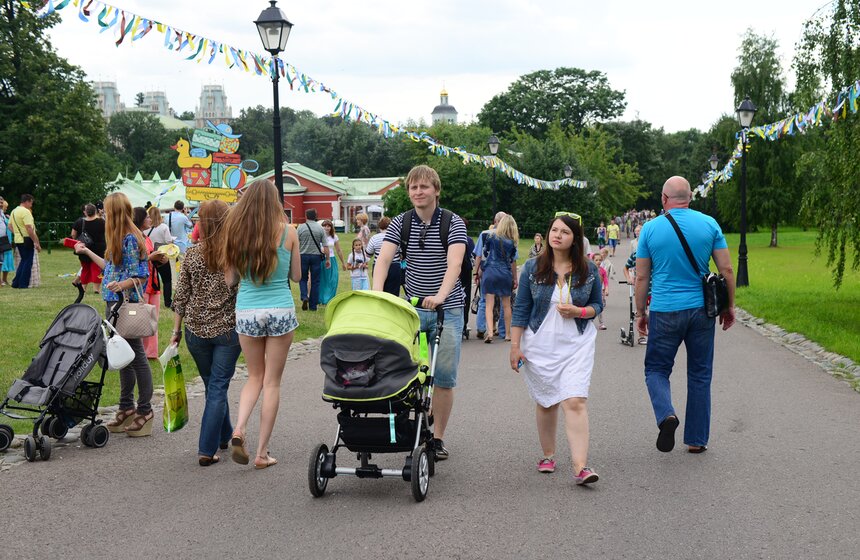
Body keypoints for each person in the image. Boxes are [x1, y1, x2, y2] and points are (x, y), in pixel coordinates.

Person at [635, 176, 736, 454]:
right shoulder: (709, 224)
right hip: (701, 310)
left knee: (656, 369)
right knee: (701, 374)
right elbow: (726, 270)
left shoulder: (650, 229)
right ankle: (696, 440)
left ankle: (666, 414)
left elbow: (642, 276)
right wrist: (728, 307)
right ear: (690, 197)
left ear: (664, 199)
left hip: (665, 310)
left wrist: (640, 312)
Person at [372, 165, 467, 460]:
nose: (418, 192)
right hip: (412, 310)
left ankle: (437, 438)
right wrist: (377, 296)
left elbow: (455, 265)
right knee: (410, 372)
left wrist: (439, 296)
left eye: (424, 187)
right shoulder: (400, 222)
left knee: (443, 376)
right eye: (413, 187)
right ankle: (412, 423)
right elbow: (384, 260)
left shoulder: (453, 223)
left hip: (446, 310)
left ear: (436, 190)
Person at [509, 213, 604, 485]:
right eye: (554, 230)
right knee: (546, 401)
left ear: (575, 238)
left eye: (564, 231)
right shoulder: (532, 268)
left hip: (577, 342)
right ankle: (548, 455)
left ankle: (581, 467)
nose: (557, 235)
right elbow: (521, 310)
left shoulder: (588, 269)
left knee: (574, 400)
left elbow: (598, 306)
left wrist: (579, 310)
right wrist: (515, 346)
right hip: (540, 342)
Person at [223, 179, 301, 469]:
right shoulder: (288, 232)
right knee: (272, 382)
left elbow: (230, 280)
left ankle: (240, 428)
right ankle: (262, 452)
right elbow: (295, 276)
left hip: (247, 311)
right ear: (274, 202)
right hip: (280, 309)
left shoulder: (234, 233)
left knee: (254, 376)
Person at [74, 192, 154, 437]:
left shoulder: (130, 239)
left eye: (107, 211)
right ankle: (126, 406)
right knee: (122, 356)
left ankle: (145, 410)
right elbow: (109, 268)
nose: (103, 215)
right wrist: (86, 252)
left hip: (125, 304)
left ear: (115, 212)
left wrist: (122, 286)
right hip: (113, 304)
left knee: (136, 357)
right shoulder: (117, 237)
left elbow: (141, 274)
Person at [171, 200, 241, 467]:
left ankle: (223, 435)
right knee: (217, 386)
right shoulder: (234, 254)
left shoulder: (191, 254)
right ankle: (206, 448)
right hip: (226, 330)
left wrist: (175, 331)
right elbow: (237, 287)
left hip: (195, 331)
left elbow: (181, 296)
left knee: (213, 385)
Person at [132, 207, 168, 359]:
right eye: (146, 217)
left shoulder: (146, 237)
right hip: (142, 283)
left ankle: (151, 352)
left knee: (153, 317)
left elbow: (150, 258)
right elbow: (133, 262)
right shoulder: (133, 238)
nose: (150, 219)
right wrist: (150, 257)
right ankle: (140, 350)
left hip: (153, 282)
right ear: (139, 219)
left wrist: (161, 259)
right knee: (142, 318)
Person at [481, 214, 519, 344]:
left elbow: (485, 252)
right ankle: (508, 334)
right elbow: (512, 259)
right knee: (506, 305)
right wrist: (515, 278)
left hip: (491, 271)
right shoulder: (512, 243)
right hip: (505, 273)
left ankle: (490, 332)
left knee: (489, 305)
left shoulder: (491, 237)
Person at [474, 212, 509, 340]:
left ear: (495, 221)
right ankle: (503, 331)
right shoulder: (508, 236)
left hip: (487, 271)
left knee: (485, 301)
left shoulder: (484, 234)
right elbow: (513, 258)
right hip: (504, 271)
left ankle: (483, 328)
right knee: (504, 302)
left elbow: (478, 255)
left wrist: (476, 272)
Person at [296, 208, 328, 311]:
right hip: (316, 256)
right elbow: (326, 246)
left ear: (306, 216)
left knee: (303, 278)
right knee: (315, 281)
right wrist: (328, 259)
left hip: (303, 255)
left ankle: (304, 296)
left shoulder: (301, 228)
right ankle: (313, 305)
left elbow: (296, 244)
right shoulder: (320, 229)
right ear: (315, 216)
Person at [71, 204, 107, 295]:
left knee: (85, 268)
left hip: (83, 247)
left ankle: (83, 288)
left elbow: (73, 234)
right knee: (96, 269)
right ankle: (96, 289)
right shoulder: (101, 222)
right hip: (99, 248)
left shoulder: (79, 222)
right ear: (95, 211)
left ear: (85, 212)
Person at [145, 206, 175, 308]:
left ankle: (152, 297)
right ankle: (167, 301)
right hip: (161, 256)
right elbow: (169, 241)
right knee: (167, 280)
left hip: (149, 255)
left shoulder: (145, 229)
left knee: (153, 279)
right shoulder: (164, 227)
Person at [10, 194, 41, 289]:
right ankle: (23, 284)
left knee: (23, 261)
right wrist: (36, 242)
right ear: (27, 201)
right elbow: (29, 228)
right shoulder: (26, 212)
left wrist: (17, 233)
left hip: (18, 240)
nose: (31, 205)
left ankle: (16, 283)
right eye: (31, 203)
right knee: (28, 262)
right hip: (27, 239)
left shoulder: (14, 211)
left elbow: (9, 226)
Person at [365, 216, 400, 296]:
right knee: (393, 293)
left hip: (378, 266)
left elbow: (368, 254)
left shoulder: (374, 238)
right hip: (394, 266)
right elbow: (401, 252)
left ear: (379, 226)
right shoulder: (396, 237)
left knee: (379, 291)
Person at [319, 219, 345, 304]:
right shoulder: (319, 236)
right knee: (323, 280)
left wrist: (343, 262)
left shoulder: (334, 237)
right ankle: (322, 299)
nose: (326, 228)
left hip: (332, 259)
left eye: (328, 226)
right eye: (325, 226)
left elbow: (339, 250)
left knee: (333, 279)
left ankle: (329, 299)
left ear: (331, 227)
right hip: (322, 260)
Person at [591, 252, 609, 330]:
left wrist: (606, 289)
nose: (598, 262)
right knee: (590, 306)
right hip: (590, 291)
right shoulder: (590, 270)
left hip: (599, 291)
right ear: (593, 260)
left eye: (600, 260)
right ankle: (589, 322)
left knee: (599, 307)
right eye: (596, 260)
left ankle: (601, 323)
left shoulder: (603, 271)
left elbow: (605, 280)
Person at [0, 197, 14, 286]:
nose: (1, 204)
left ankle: (3, 280)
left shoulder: (2, 214)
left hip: (4, 240)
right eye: (0, 202)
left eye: (2, 202)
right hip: (2, 239)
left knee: (2, 260)